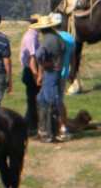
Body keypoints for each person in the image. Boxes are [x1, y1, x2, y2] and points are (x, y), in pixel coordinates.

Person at [31, 14, 66, 143]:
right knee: (44, 99)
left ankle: (51, 134)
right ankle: (47, 130)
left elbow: (38, 55)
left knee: (49, 101)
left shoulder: (47, 40)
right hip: (57, 70)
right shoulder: (58, 37)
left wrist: (43, 63)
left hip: (50, 72)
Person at [19, 14, 42, 136]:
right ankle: (32, 126)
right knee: (33, 100)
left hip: (29, 70)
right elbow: (32, 58)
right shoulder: (31, 37)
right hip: (30, 70)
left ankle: (29, 123)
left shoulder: (32, 35)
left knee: (31, 100)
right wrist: (35, 75)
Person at [55, 18, 77, 142]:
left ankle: (60, 125)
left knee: (53, 101)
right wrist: (72, 70)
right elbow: (73, 56)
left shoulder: (52, 37)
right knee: (60, 100)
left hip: (54, 72)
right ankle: (63, 124)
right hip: (64, 72)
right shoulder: (69, 37)